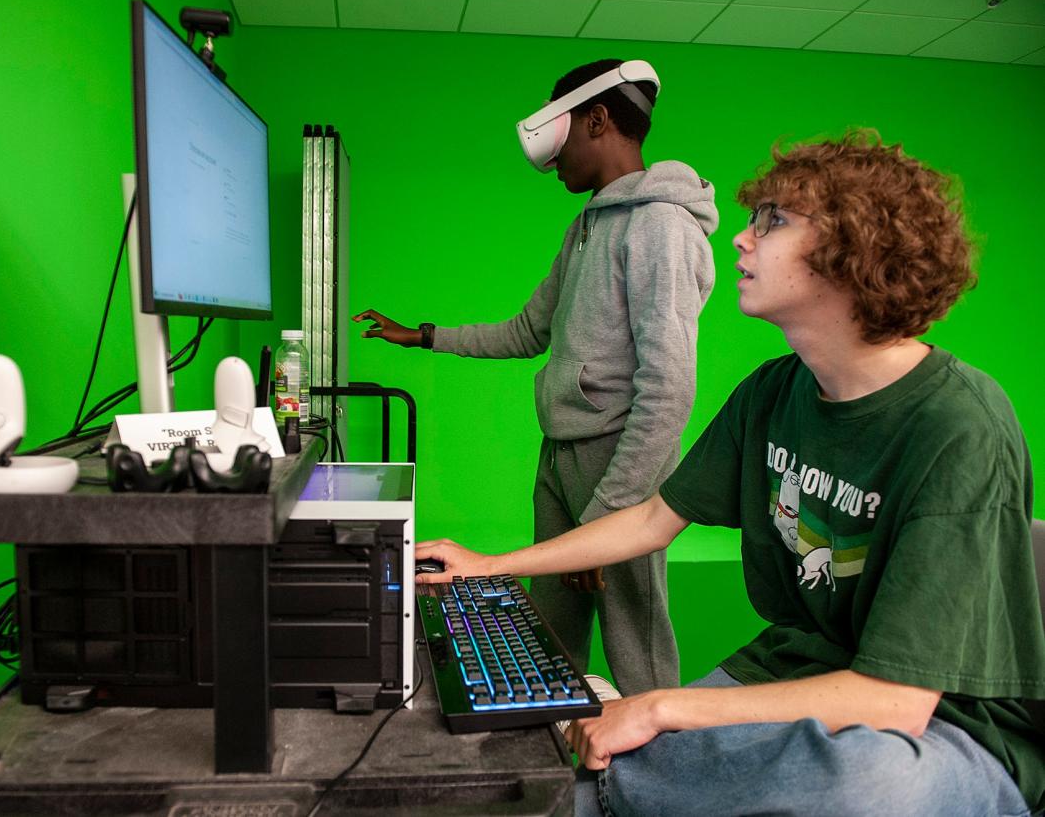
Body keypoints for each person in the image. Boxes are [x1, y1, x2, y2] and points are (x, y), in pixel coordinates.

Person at [416, 131, 1045, 816]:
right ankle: (631, 778)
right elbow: (655, 517)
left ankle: (622, 781)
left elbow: (894, 700)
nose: (742, 240)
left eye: (773, 220)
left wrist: (657, 707)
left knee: (860, 784)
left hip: (947, 732)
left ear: (855, 249)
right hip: (797, 671)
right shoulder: (775, 391)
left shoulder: (959, 424)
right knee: (659, 746)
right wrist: (489, 565)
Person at [354, 58, 718, 696]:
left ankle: (662, 768)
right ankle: (554, 746)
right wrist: (425, 335)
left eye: (562, 140)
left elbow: (669, 390)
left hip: (621, 465)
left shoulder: (661, 226)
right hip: (560, 456)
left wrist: (603, 521)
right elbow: (528, 331)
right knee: (551, 628)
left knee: (635, 637)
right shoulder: (586, 225)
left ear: (596, 119)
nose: (554, 166)